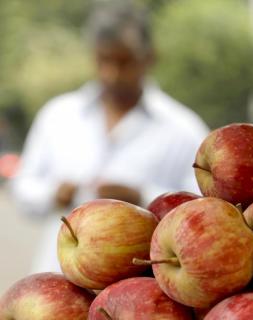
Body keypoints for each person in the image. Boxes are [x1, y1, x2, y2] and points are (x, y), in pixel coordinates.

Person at [10, 1, 210, 273]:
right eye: (104, 61)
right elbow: (23, 186)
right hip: (56, 277)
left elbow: (203, 209)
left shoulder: (182, 130)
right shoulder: (58, 115)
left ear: (149, 57)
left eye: (124, 62)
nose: (112, 74)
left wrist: (143, 196)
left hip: (137, 286)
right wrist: (52, 194)